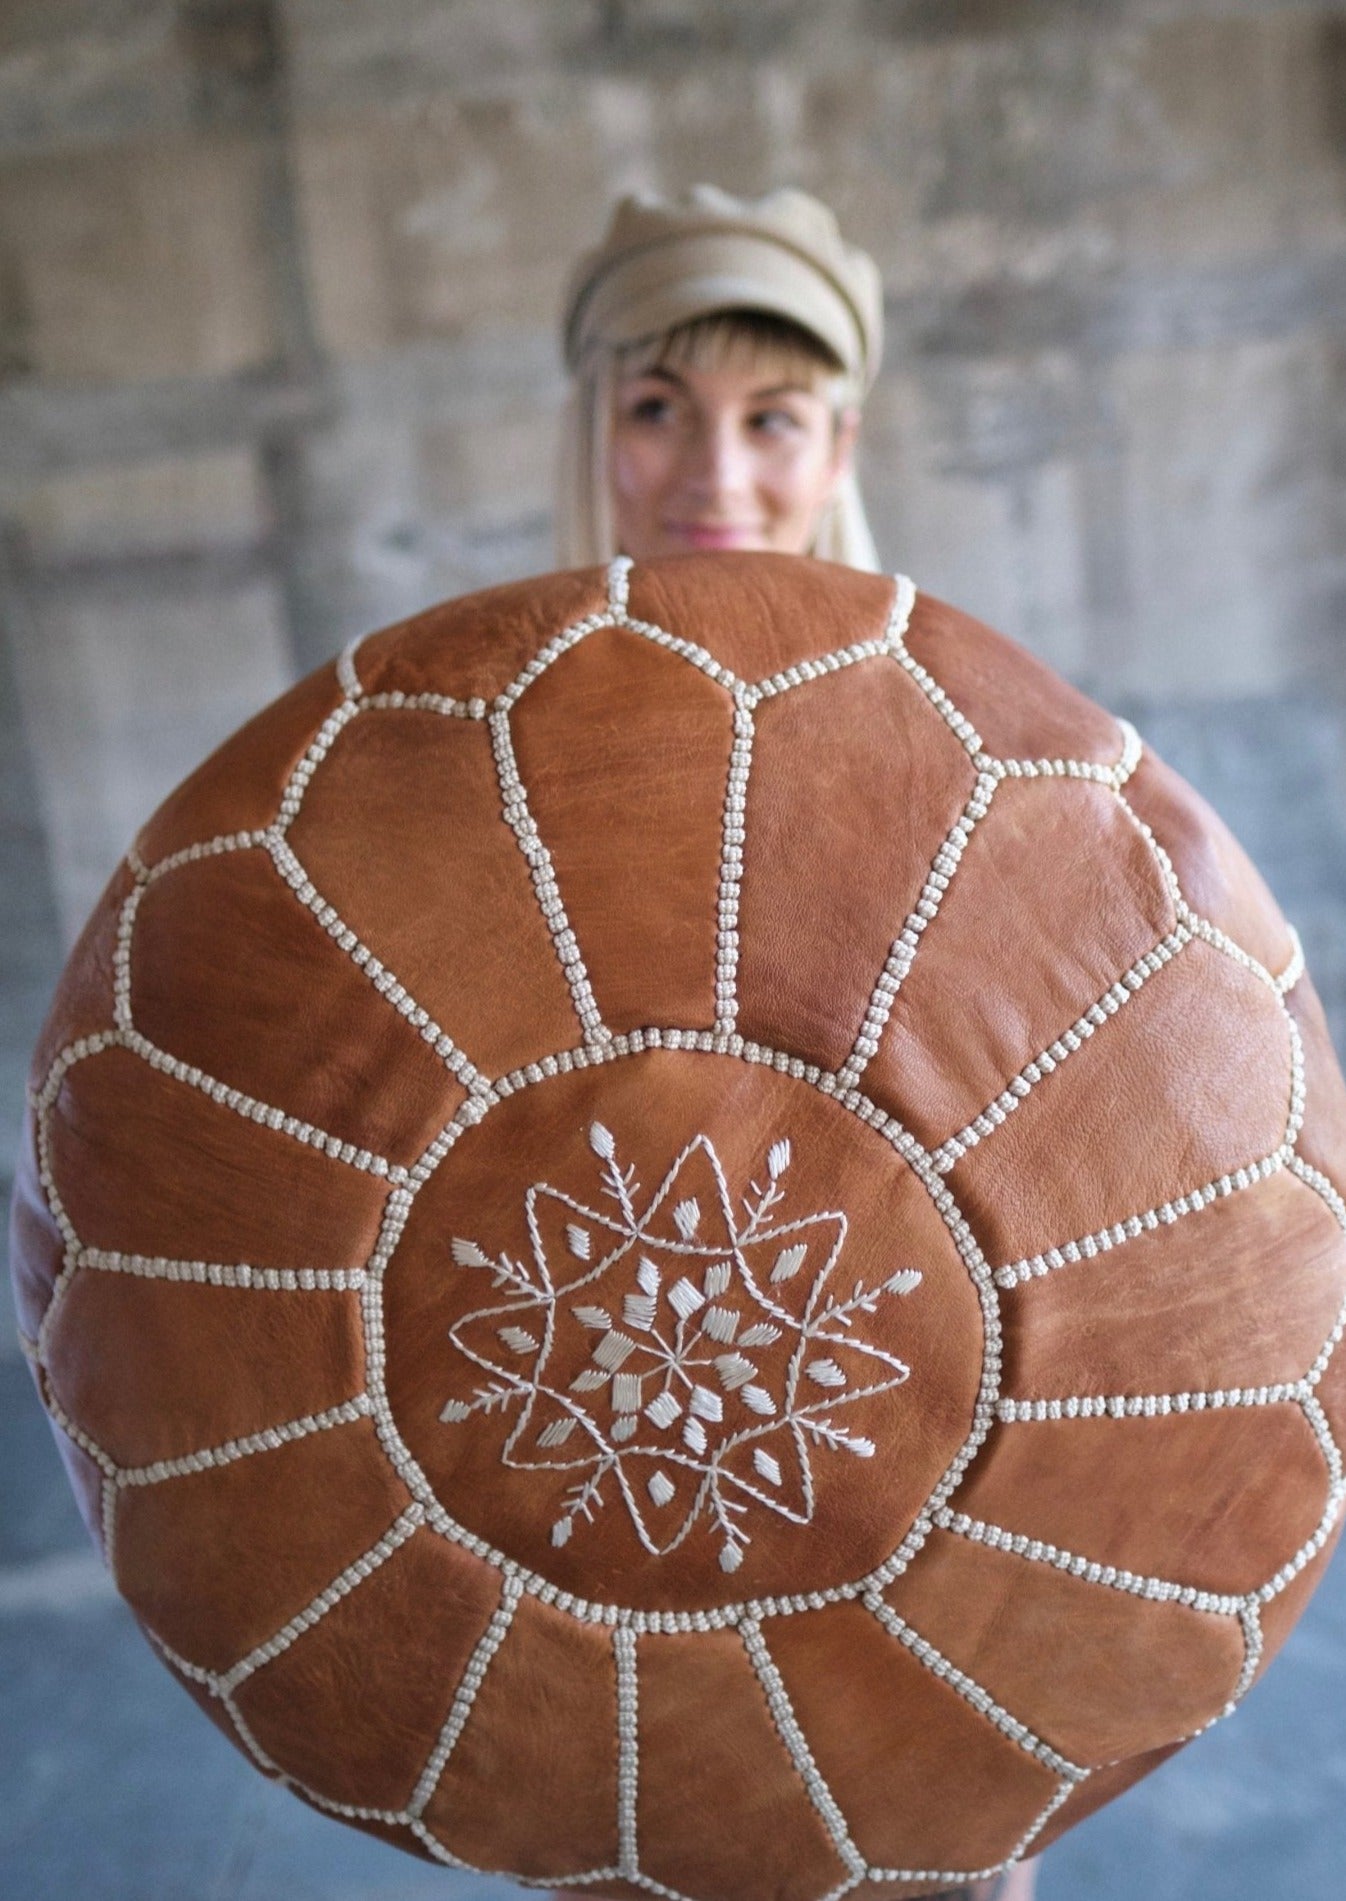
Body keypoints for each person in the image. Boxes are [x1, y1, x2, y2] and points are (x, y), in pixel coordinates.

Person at [554, 185, 1042, 1901]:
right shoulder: (487, 747)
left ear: (841, 440)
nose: (714, 478)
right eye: (655, 410)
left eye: (773, 418)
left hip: (918, 1439)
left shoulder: (966, 747)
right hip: (586, 1431)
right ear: (590, 425)